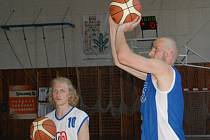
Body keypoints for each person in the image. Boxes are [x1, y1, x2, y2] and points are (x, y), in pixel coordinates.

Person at [109, 16, 185, 140]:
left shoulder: (165, 69)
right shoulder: (153, 77)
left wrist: (122, 29)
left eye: (155, 49)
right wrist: (113, 26)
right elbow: (119, 61)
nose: (150, 53)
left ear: (169, 54)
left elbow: (123, 56)